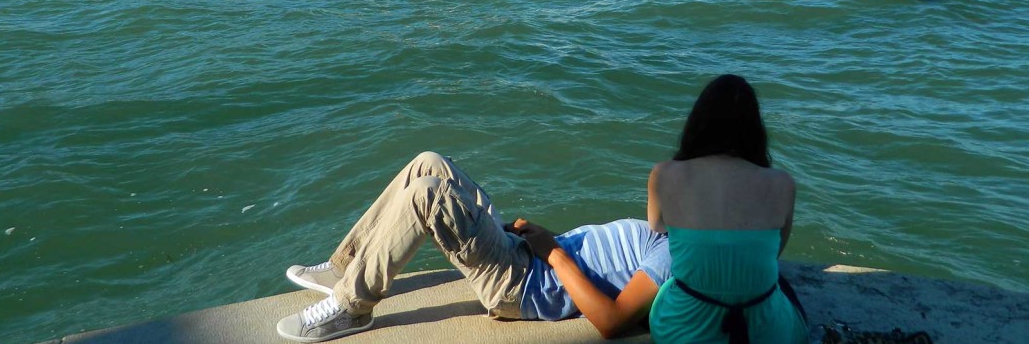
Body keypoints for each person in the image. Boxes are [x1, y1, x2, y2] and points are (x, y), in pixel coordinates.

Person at [277, 152, 670, 343]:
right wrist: (545, 239)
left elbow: (613, 321)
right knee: (428, 164)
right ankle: (347, 266)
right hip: (527, 255)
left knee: (427, 196)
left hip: (523, 284)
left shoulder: (673, 256)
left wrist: (553, 252)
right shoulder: (665, 235)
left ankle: (351, 308)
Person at [646, 75, 807, 344]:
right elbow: (775, 251)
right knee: (783, 287)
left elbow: (656, 225)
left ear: (697, 124)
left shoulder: (663, 174)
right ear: (755, 130)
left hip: (681, 331)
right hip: (765, 334)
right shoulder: (782, 183)